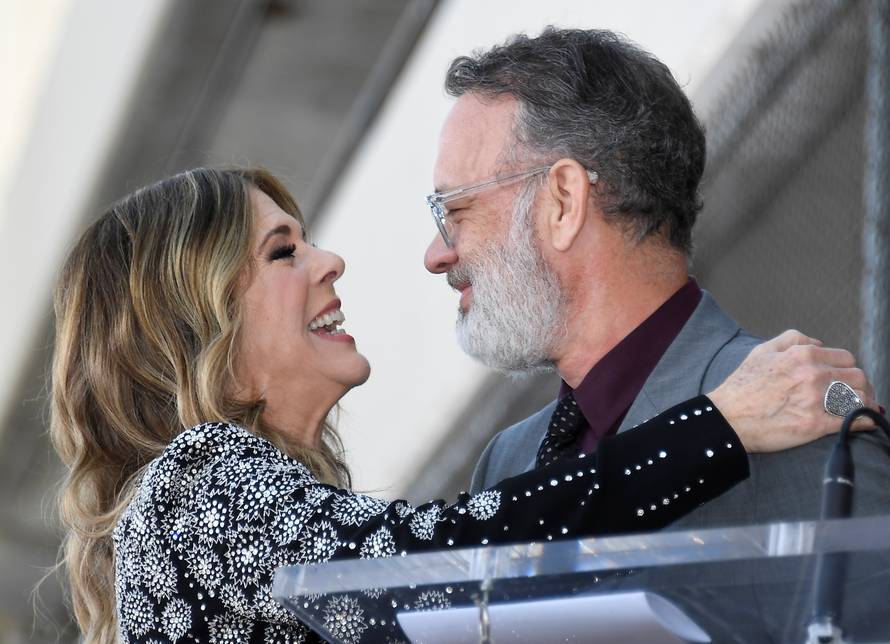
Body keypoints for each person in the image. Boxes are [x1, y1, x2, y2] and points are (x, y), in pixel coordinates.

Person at [50, 167, 870, 643]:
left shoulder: (225, 511)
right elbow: (423, 568)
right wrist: (720, 427)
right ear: (200, 327)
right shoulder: (197, 483)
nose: (330, 261)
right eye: (282, 252)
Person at [422, 28, 890, 527]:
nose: (435, 255)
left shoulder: (808, 414)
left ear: (563, 201)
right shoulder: (507, 462)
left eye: (456, 209)